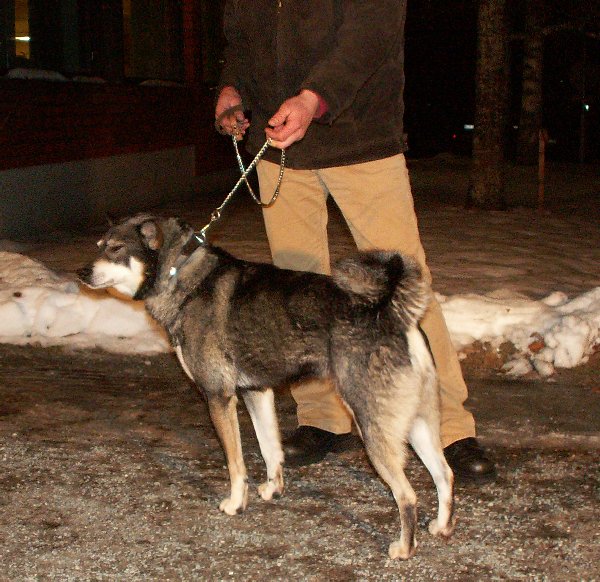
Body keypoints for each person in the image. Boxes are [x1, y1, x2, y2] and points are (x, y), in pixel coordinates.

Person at [215, 0, 496, 483]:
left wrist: (313, 99)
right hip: (279, 149)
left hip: (359, 138)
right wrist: (231, 89)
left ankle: (449, 427)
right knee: (297, 295)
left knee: (403, 286)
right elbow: (241, 40)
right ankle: (323, 418)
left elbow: (371, 31)